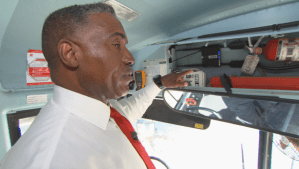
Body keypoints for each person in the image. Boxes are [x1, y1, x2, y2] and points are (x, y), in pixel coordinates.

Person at [0, 3, 192, 169]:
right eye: (116, 44)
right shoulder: (52, 160)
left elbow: (130, 110)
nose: (130, 58)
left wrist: (160, 84)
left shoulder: (102, 112)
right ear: (71, 54)